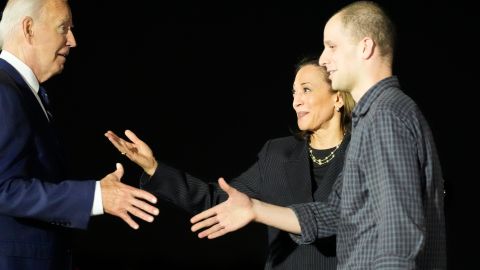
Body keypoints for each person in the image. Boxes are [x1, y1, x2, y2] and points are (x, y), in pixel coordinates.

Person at [190, 1, 447, 269]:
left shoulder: (385, 117)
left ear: (365, 47)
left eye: (332, 46)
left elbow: (398, 234)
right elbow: (337, 212)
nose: (324, 58)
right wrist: (255, 209)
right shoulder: (372, 119)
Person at [104, 57, 355, 270]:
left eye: (307, 90)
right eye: (294, 92)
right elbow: (220, 200)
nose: (296, 101)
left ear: (338, 99)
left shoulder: (363, 152)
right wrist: (153, 167)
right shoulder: (277, 154)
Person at [0, 0, 160, 269]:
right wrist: (95, 196)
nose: (72, 41)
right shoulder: (4, 90)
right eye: (63, 28)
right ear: (28, 29)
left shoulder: (24, 91)